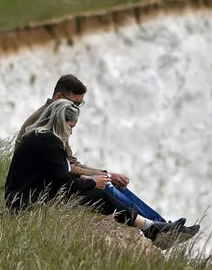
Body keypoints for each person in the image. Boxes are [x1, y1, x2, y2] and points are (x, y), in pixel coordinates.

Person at [16, 74, 200, 244]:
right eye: (74, 104)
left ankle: (159, 226)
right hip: (37, 189)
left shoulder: (53, 122)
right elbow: (65, 170)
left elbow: (69, 164)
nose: (76, 110)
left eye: (80, 105)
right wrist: (97, 179)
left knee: (108, 182)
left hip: (42, 182)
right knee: (105, 187)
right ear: (58, 99)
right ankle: (155, 228)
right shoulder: (49, 126)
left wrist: (103, 175)